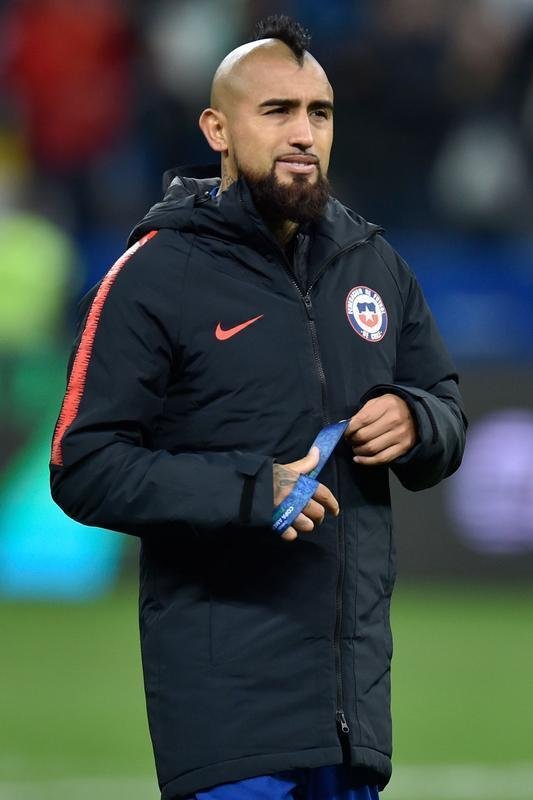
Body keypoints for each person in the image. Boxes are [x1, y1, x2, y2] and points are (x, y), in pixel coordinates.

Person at [50, 15, 467, 800]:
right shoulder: (155, 274)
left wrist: (417, 420)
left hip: (352, 717)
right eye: (276, 111)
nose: (304, 132)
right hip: (226, 716)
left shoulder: (371, 262)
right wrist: (248, 491)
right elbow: (83, 462)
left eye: (320, 112)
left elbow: (446, 410)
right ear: (217, 127)